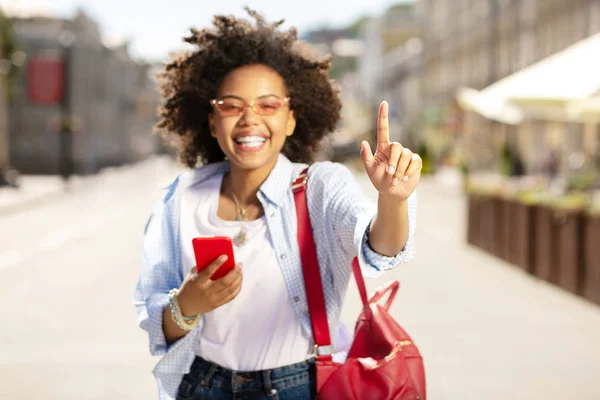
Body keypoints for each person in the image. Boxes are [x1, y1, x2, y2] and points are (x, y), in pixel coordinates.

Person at [134, 8, 420, 400]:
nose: (250, 119)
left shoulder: (321, 186)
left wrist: (392, 200)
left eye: (268, 105)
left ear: (290, 119)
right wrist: (186, 305)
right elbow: (152, 318)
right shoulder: (180, 199)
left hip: (297, 387)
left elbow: (379, 248)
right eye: (232, 106)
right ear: (213, 121)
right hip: (200, 386)